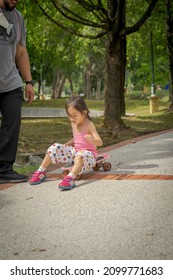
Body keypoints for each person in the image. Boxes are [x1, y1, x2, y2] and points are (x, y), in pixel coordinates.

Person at [29, 96, 103, 190]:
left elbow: (100, 142)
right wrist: (63, 147)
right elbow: (75, 139)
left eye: (74, 115)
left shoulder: (89, 125)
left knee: (80, 156)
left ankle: (70, 178)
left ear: (84, 113)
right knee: (54, 147)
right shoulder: (74, 123)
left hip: (88, 155)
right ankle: (41, 172)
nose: (71, 118)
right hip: (75, 152)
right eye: (69, 115)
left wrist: (93, 140)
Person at [0, 0, 35, 184]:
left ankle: (4, 169)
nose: (16, 0)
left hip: (11, 82)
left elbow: (21, 52)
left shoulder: (18, 18)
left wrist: (28, 81)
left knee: (12, 125)